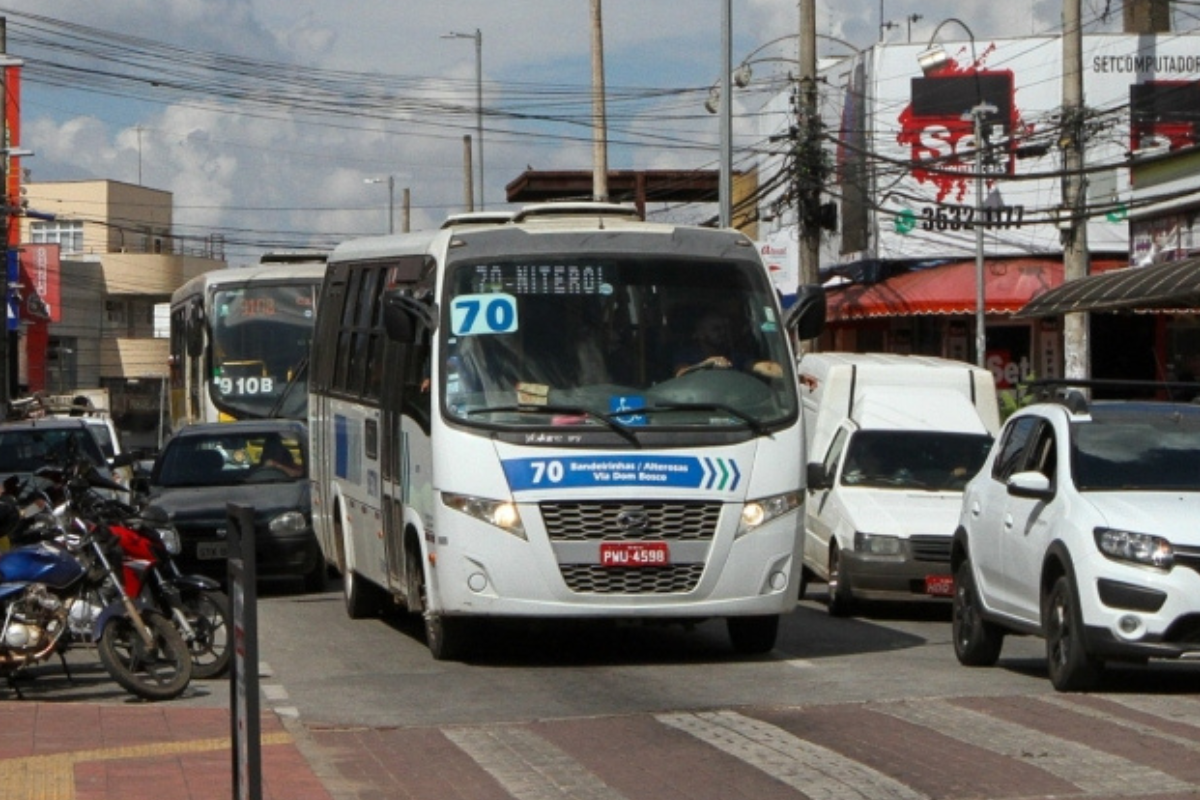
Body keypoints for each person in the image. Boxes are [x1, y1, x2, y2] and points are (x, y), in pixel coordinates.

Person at [674, 309, 782, 379]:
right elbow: (680, 374)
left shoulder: (735, 356)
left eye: (725, 328)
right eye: (716, 329)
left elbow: (765, 367)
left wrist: (786, 375)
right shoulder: (687, 355)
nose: (723, 333)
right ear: (699, 334)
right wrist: (705, 365)